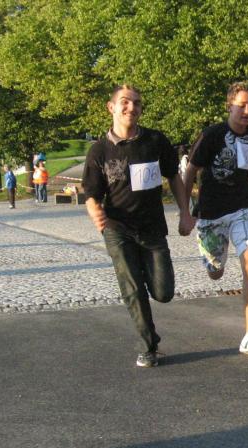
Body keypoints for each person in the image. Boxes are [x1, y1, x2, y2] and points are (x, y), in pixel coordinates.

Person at [82, 84, 192, 368]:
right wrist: (95, 212)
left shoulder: (155, 141)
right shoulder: (99, 151)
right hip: (117, 228)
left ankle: (148, 282)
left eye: (137, 103)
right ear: (111, 107)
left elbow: (174, 177)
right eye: (125, 102)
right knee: (132, 288)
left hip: (152, 228)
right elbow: (91, 194)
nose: (132, 107)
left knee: (163, 292)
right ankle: (148, 346)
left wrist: (185, 212)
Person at [182, 81, 248, 356]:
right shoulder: (212, 135)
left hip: (243, 207)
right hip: (211, 212)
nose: (247, 111)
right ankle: (213, 263)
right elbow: (190, 171)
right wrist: (186, 212)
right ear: (229, 106)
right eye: (242, 105)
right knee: (216, 272)